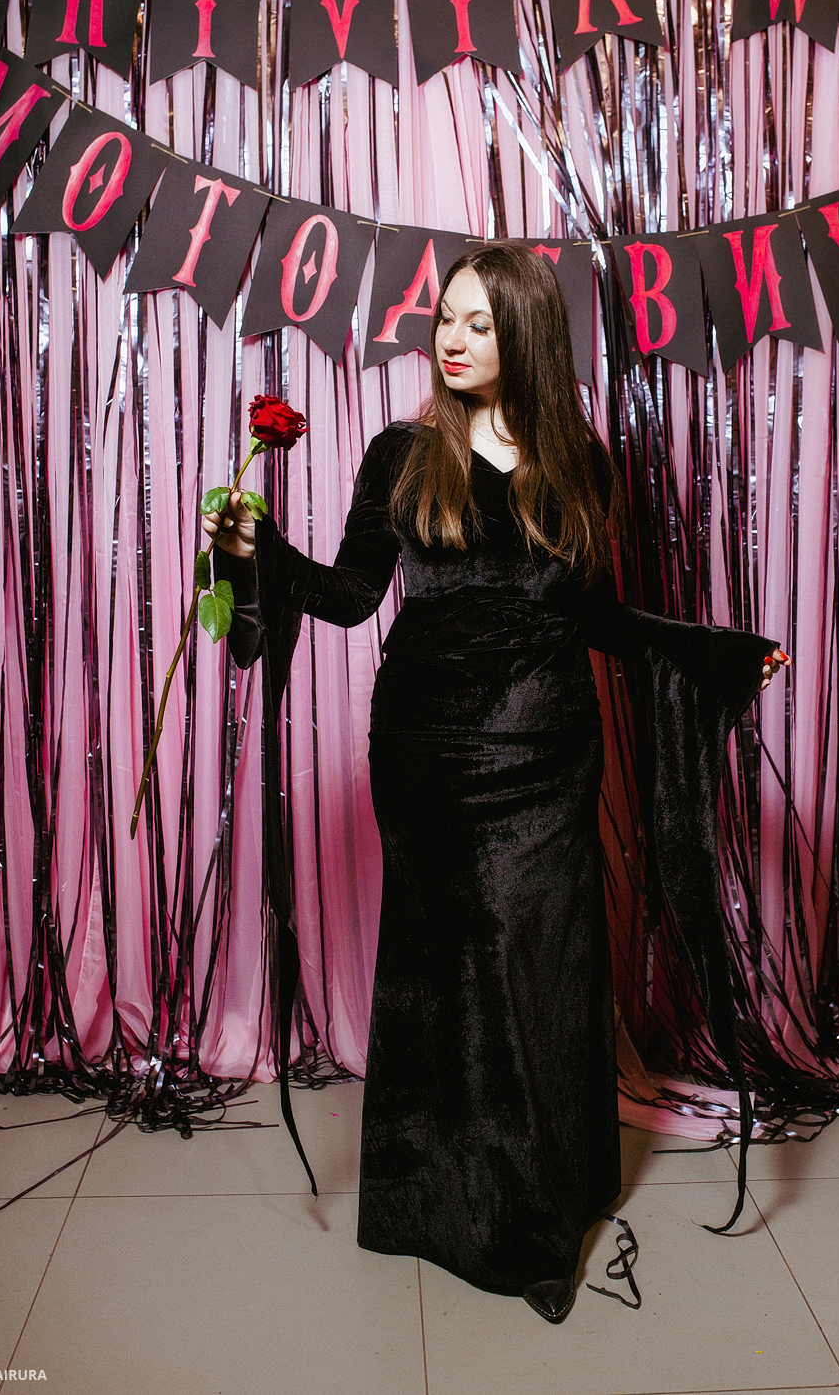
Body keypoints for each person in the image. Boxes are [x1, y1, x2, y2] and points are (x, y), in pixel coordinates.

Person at [204, 244, 786, 1323]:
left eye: (479, 322)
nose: (454, 340)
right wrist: (256, 551)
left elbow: (591, 613)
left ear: (526, 334)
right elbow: (349, 595)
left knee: (537, 966)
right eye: (447, 320)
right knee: (442, 969)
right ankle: (431, 1202)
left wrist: (704, 650)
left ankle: (534, 1205)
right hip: (425, 751)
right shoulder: (401, 453)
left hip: (547, 748)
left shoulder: (580, 462)